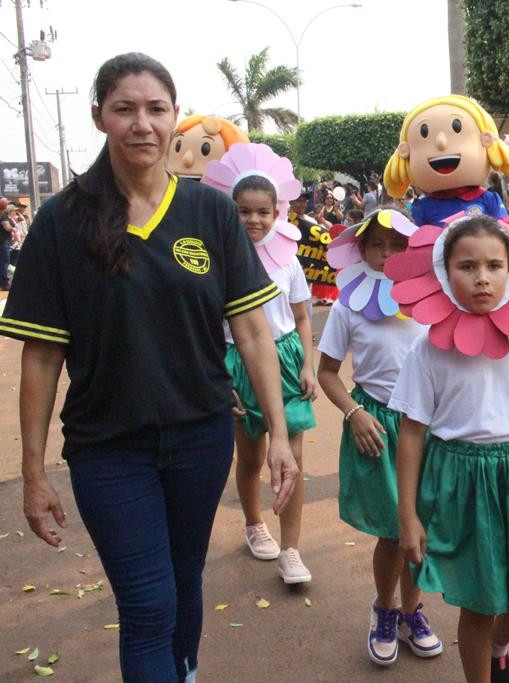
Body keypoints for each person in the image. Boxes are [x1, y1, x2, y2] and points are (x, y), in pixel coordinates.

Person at [2, 53, 299, 682]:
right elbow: (42, 356)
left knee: (185, 581)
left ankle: (182, 671)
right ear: (99, 117)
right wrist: (33, 470)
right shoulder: (60, 222)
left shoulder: (211, 213)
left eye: (156, 109)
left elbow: (251, 330)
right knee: (146, 603)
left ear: (173, 118)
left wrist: (276, 431)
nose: (142, 123)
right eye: (125, 109)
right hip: (108, 448)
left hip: (201, 435)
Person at [387, 216, 509, 683]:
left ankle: (497, 648)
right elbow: (411, 433)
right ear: (444, 271)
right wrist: (406, 515)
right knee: (481, 603)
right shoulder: (428, 350)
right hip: (460, 481)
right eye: (467, 265)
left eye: (495, 265)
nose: (482, 277)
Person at [318, 209, 442, 667]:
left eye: (397, 245)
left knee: (421, 525)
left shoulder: (433, 300)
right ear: (361, 249)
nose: (387, 254)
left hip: (427, 426)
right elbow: (327, 373)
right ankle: (386, 609)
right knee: (393, 531)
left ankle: (413, 612)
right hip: (377, 428)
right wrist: (353, 414)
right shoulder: (348, 305)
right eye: (377, 245)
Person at [215, 166, 317, 585]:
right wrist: (220, 376)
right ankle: (254, 524)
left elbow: (301, 317)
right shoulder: (217, 259)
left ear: (278, 213)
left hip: (286, 360)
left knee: (292, 458)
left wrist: (307, 364)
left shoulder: (288, 260)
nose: (253, 220)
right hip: (235, 360)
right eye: (243, 211)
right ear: (230, 212)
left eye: (262, 212)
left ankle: (291, 550)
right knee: (252, 455)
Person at [383, 95, 509, 227]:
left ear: (486, 141)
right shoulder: (422, 206)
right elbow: (415, 239)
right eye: (424, 132)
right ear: (405, 152)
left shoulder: (488, 199)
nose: (441, 143)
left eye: (457, 126)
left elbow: (504, 231)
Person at [0, 204, 15, 289]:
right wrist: (12, 229)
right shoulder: (3, 217)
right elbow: (7, 227)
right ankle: (4, 283)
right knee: (4, 263)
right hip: (3, 243)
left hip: (3, 243)